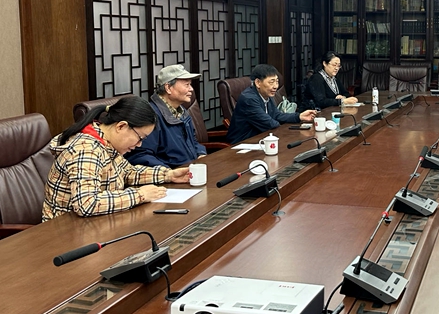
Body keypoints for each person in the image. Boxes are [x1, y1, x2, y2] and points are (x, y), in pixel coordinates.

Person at [43, 96, 192, 221]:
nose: (139, 145)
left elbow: (128, 173)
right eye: (140, 138)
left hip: (96, 223)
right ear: (121, 126)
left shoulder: (106, 142)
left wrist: (168, 175)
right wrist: (140, 194)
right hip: (66, 232)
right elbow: (87, 204)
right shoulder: (86, 150)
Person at [126, 64, 207, 168]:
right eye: (187, 85)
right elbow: (140, 155)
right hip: (171, 173)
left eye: (190, 85)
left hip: (190, 169)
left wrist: (201, 154)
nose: (191, 89)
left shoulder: (181, 111)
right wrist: (168, 172)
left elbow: (193, 141)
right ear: (168, 88)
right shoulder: (150, 116)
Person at [226, 64, 317, 144]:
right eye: (271, 82)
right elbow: (270, 124)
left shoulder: (266, 94)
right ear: (258, 83)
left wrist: (299, 116)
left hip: (261, 139)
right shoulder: (249, 99)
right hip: (242, 143)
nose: (275, 86)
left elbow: (277, 115)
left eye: (277, 81)